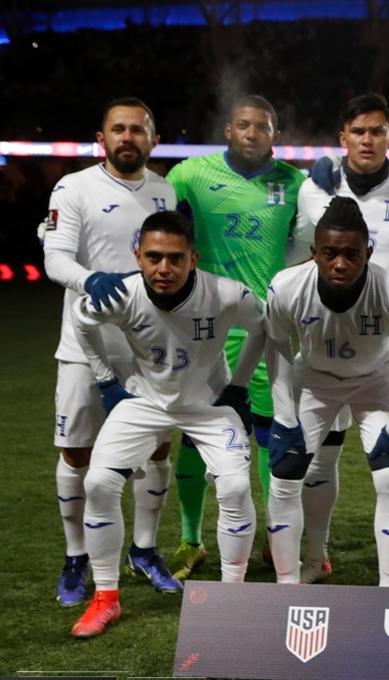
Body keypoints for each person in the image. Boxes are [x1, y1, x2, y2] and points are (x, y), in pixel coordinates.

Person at [69, 211, 264, 637]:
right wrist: (106, 381)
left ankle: (233, 598)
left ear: (193, 259)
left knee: (233, 486)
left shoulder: (226, 293)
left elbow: (263, 326)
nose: (164, 268)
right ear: (137, 256)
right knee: (99, 484)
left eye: (175, 258)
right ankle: (105, 599)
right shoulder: (121, 294)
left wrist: (239, 385)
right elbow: (82, 321)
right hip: (146, 402)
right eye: (154, 257)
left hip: (210, 405)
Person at [292, 93, 389, 588]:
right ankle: (316, 556)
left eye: (377, 131)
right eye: (358, 131)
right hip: (324, 337)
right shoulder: (313, 189)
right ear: (343, 138)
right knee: (323, 452)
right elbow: (298, 249)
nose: (368, 140)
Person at [43, 97, 180, 606]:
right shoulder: (74, 187)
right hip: (84, 343)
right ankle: (77, 556)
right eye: (118, 129)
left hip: (149, 349)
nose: (128, 137)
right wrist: (91, 279)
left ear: (153, 139)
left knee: (157, 450)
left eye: (138, 129)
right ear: (102, 138)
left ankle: (144, 551)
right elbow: (55, 257)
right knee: (76, 450)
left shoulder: (164, 192)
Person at [163, 94, 306, 580]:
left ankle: (272, 537)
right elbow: (152, 214)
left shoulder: (294, 184)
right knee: (192, 436)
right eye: (243, 125)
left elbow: (314, 235)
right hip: (202, 330)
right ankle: (190, 539)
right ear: (229, 129)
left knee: (269, 433)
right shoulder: (189, 174)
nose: (251, 133)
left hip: (265, 330)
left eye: (261, 127)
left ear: (275, 135)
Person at [264, 196, 389, 587]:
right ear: (314, 253)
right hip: (316, 380)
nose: (340, 263)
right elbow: (273, 345)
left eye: (351, 254)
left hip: (376, 379)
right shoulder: (286, 286)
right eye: (329, 253)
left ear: (368, 252)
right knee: (285, 473)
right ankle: (295, 577)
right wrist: (283, 416)